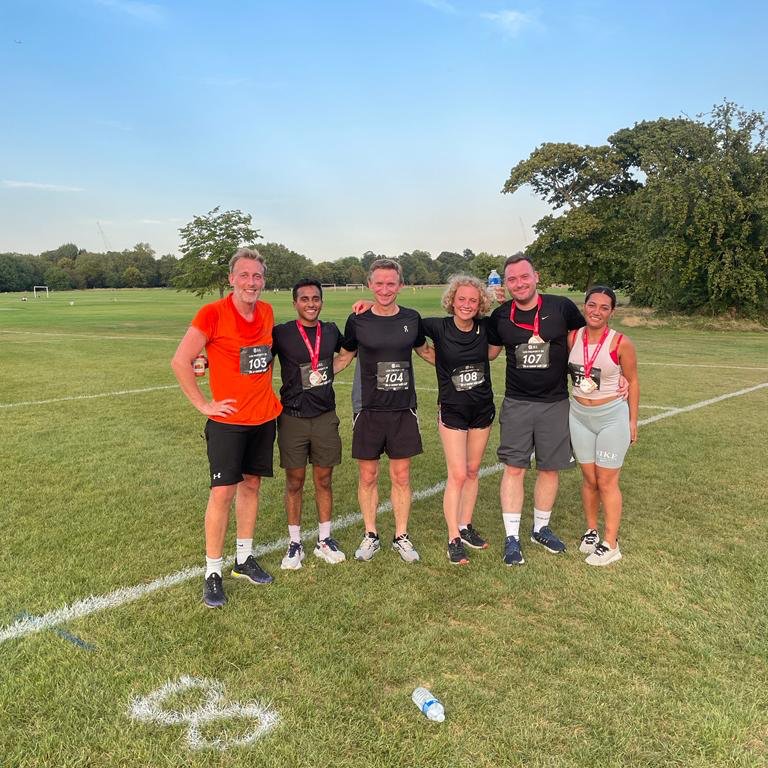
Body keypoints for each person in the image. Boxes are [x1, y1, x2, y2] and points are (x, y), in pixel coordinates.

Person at [171, 248, 281, 608]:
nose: (252, 282)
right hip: (228, 422)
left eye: (258, 276)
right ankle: (213, 571)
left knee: (251, 486)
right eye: (245, 275)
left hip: (264, 417)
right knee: (223, 493)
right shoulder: (212, 313)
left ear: (263, 280)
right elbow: (181, 360)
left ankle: (243, 559)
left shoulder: (265, 311)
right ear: (231, 279)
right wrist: (204, 404)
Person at [487, 253, 586, 566]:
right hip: (517, 403)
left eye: (524, 276)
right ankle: (512, 536)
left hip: (555, 402)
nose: (519, 283)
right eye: (512, 279)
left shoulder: (562, 307)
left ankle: (541, 528)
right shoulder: (500, 316)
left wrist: (616, 377)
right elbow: (487, 353)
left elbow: (586, 341)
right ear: (506, 284)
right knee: (514, 468)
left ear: (536, 276)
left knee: (549, 468)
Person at [335, 258, 431, 563]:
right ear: (370, 285)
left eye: (391, 283)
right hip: (368, 408)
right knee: (368, 475)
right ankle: (370, 534)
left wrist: (456, 367)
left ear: (400, 285)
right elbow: (345, 356)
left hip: (403, 408)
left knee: (401, 475)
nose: (385, 289)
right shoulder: (357, 320)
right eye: (379, 283)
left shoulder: (413, 319)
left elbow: (426, 350)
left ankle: (401, 536)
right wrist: (316, 376)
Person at [272, 279, 351, 570]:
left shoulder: (330, 331)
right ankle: (295, 543)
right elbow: (258, 361)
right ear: (295, 303)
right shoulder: (281, 333)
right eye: (304, 299)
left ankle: (324, 540)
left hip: (324, 416)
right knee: (294, 482)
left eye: (315, 298)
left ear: (322, 301)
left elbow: (349, 350)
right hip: (292, 416)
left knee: (324, 480)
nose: (310, 303)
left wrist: (334, 368)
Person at [421, 275, 500, 565]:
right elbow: (399, 320)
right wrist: (370, 304)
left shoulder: (486, 326)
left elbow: (510, 324)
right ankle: (453, 537)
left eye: (473, 300)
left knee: (473, 469)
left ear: (481, 304)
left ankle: (465, 526)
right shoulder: (436, 326)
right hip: (453, 409)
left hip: (481, 408)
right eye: (462, 299)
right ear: (452, 300)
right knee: (457, 474)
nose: (467, 304)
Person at [567, 286, 639, 565]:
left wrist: (632, 419)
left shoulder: (621, 342)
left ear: (612, 312)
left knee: (607, 481)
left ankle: (611, 543)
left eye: (604, 307)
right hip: (579, 416)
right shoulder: (572, 337)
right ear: (584, 306)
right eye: (592, 305)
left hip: (611, 417)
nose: (596, 311)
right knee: (589, 480)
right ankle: (591, 532)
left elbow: (632, 381)